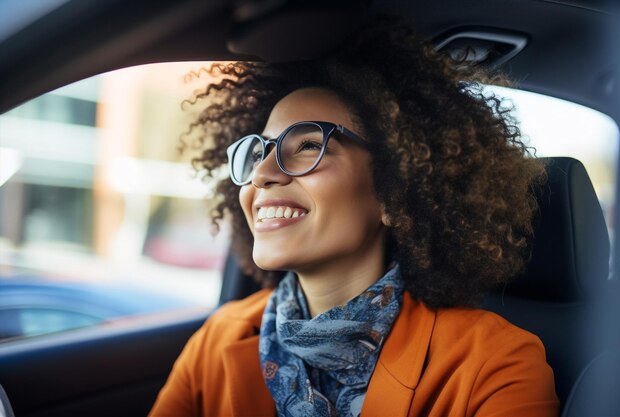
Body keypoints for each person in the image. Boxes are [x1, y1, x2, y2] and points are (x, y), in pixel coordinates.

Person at [149, 17, 559, 417]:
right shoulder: (217, 339)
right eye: (259, 152)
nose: (261, 174)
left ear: (394, 194)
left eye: (308, 145)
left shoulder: (494, 364)